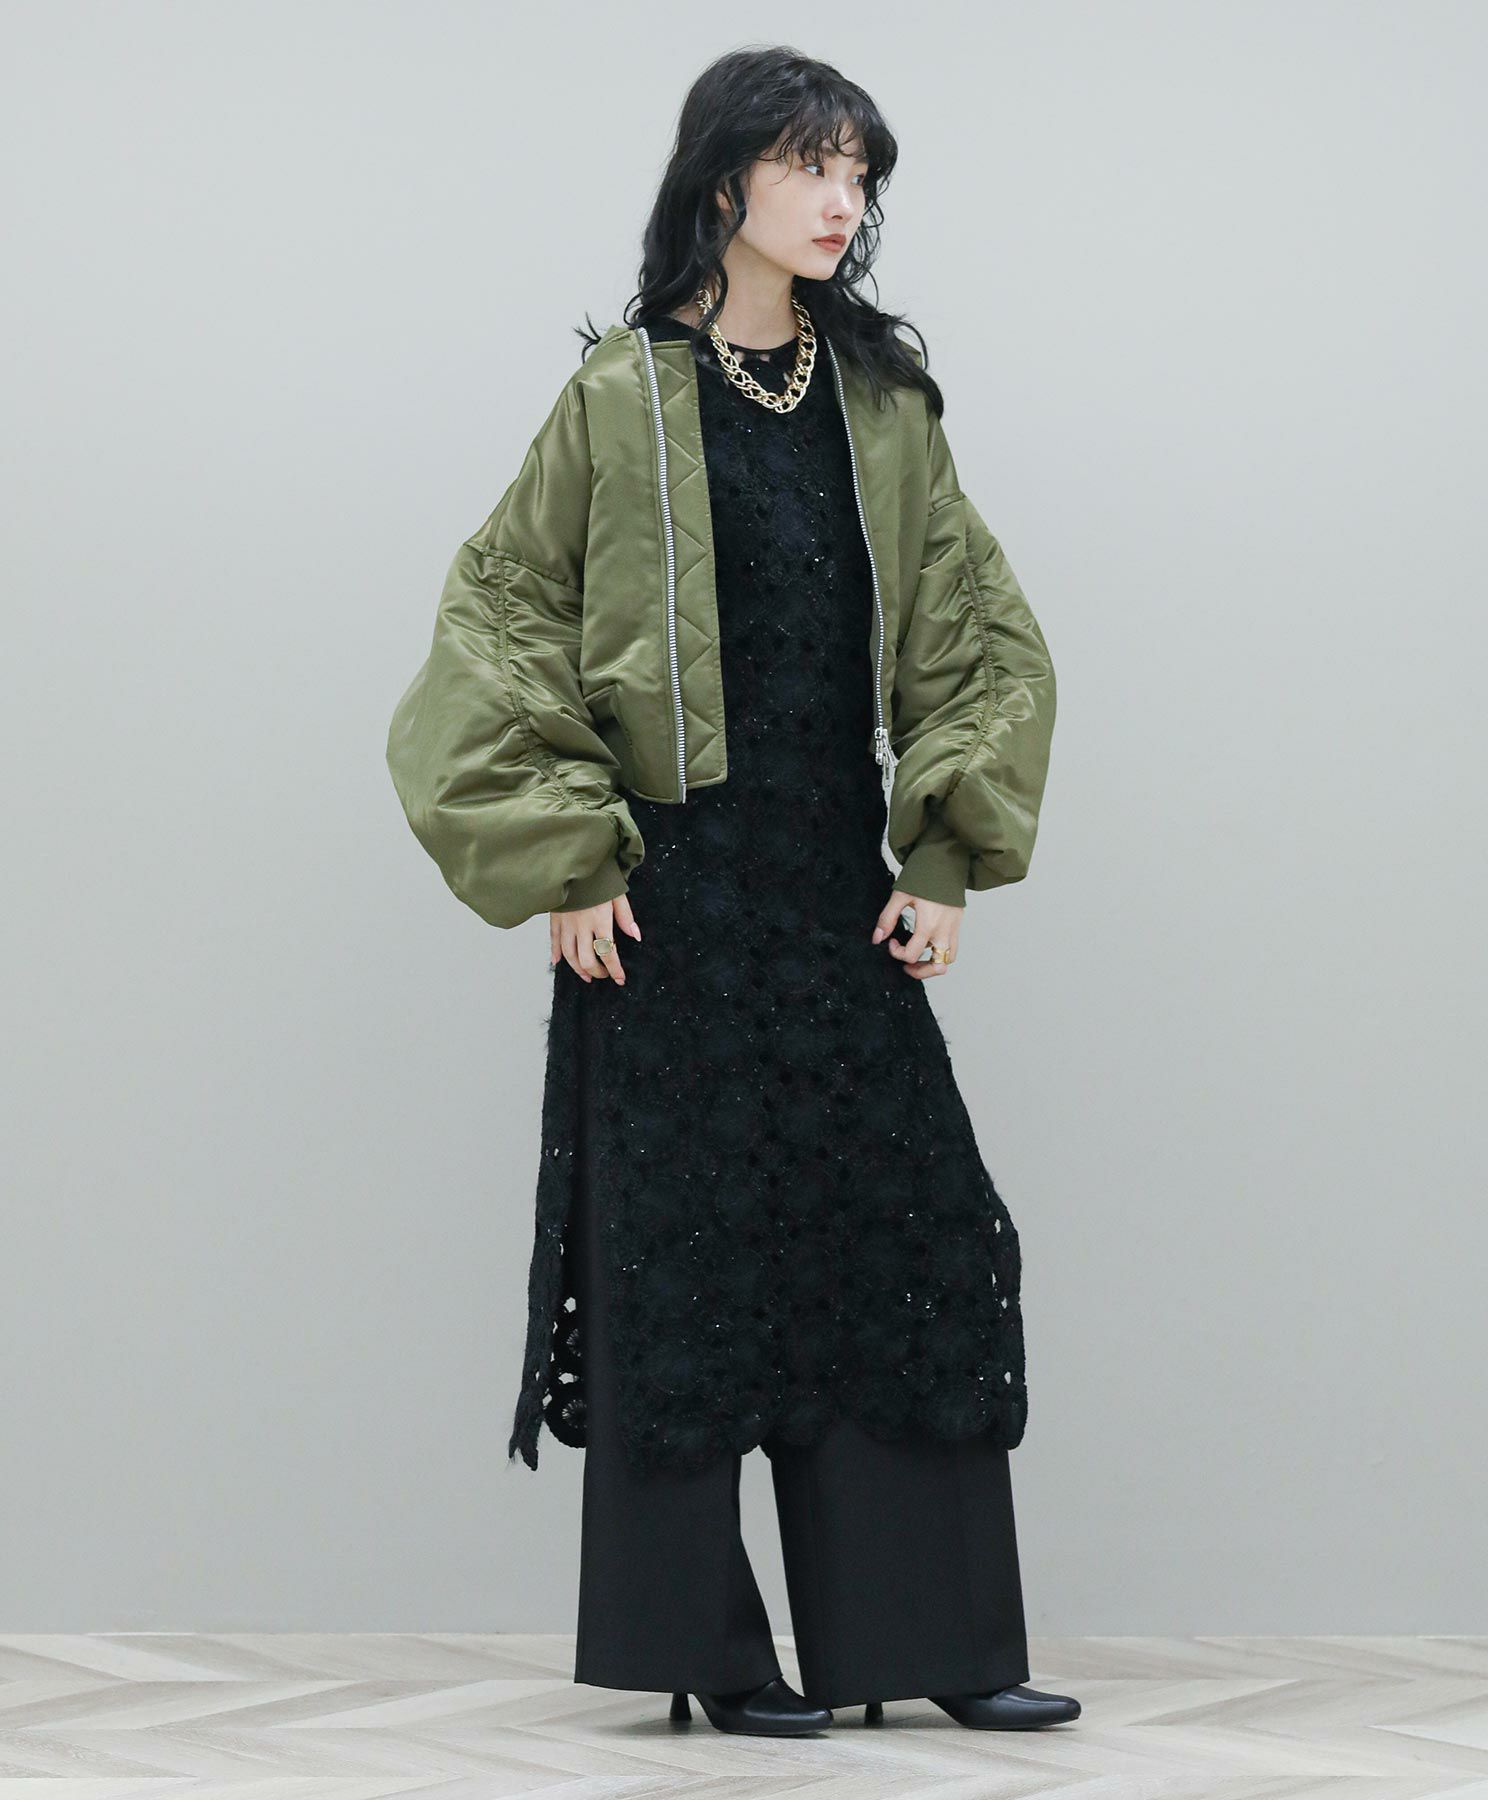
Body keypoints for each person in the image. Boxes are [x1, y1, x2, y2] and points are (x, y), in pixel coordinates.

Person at [386, 45, 1080, 1737]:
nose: (843, 201)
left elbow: (979, 634)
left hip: (838, 890)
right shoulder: (618, 400)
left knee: (897, 1236)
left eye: (860, 173)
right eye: (812, 165)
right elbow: (495, 624)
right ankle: (710, 1649)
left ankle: (930, 1642)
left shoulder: (884, 406)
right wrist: (566, 853)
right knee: (687, 1262)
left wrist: (943, 853)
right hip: (668, 901)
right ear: (726, 182)